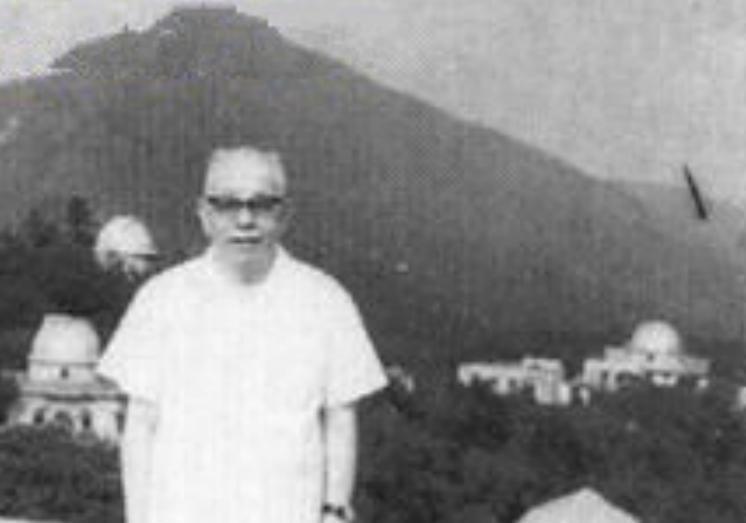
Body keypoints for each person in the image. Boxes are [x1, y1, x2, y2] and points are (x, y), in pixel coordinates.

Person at [97, 146, 388, 523]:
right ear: (204, 214)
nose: (245, 219)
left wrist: (334, 511)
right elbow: (140, 426)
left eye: (261, 204)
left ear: (284, 214)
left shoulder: (326, 301)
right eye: (227, 204)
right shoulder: (161, 300)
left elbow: (340, 418)